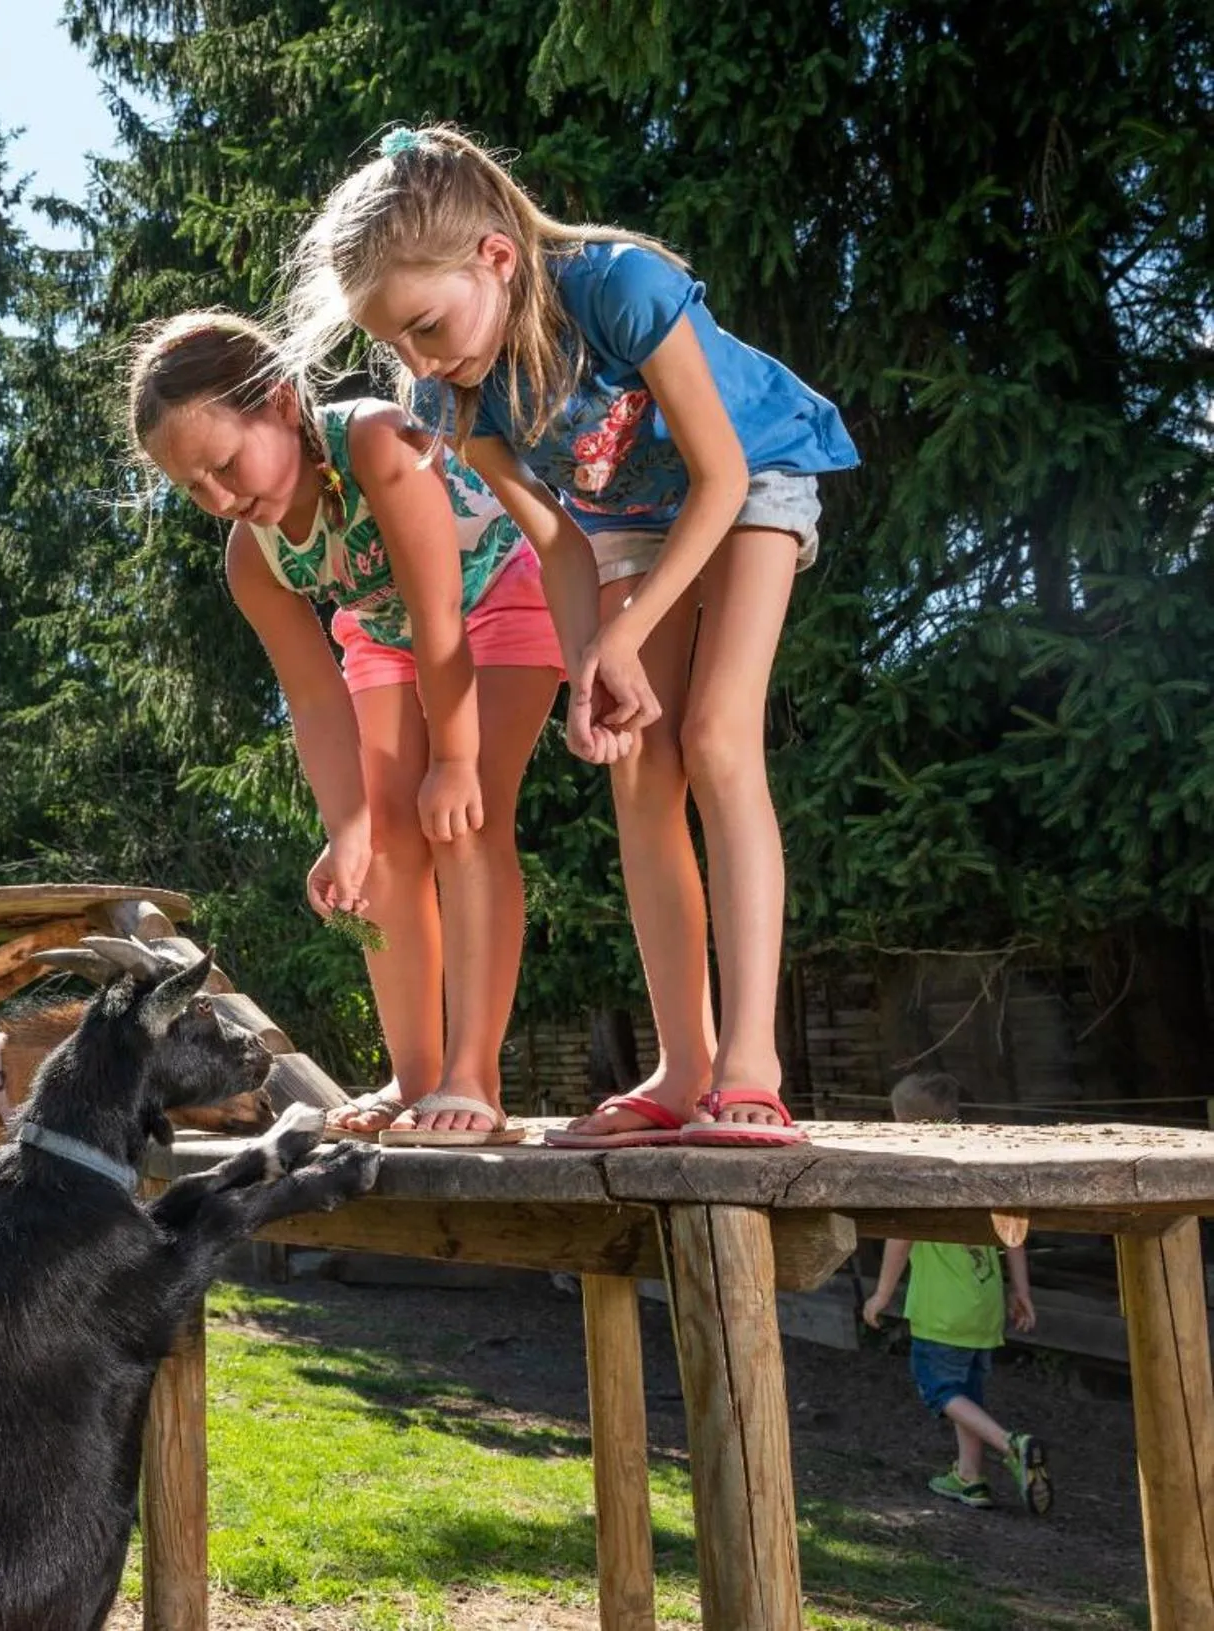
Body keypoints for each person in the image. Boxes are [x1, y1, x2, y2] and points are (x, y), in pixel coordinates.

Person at [281, 123, 860, 1146]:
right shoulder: (451, 392)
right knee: (638, 763)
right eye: (396, 344)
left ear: (494, 257)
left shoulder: (619, 287)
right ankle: (683, 1069)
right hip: (624, 525)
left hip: (752, 475)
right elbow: (554, 538)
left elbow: (721, 476)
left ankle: (752, 1069)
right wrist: (597, 653)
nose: (418, 359)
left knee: (719, 737)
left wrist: (629, 634)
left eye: (424, 324)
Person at [128, 309, 560, 1145]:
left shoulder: (375, 443)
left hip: (496, 591)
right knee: (385, 849)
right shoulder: (251, 556)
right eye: (193, 487)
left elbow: (441, 622)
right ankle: (415, 1071)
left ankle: (473, 1074)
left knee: (468, 820)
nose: (219, 497)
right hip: (387, 631)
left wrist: (456, 759)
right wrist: (348, 829)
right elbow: (317, 702)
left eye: (223, 463)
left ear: (282, 403)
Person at [860, 1072, 1051, 1513]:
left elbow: (901, 1236)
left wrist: (881, 1295)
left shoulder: (921, 1172)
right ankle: (970, 1478)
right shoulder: (977, 1166)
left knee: (940, 1390)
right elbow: (1012, 1232)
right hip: (985, 1304)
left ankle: (1011, 1443)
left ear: (902, 1122)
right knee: (968, 1394)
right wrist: (1021, 1291)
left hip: (940, 1310)